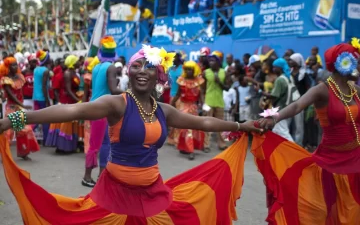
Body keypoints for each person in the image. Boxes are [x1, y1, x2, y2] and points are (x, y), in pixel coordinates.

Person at [0, 45, 261, 224]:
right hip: (114, 195)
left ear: (157, 74)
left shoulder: (164, 110)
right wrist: (14, 118)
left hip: (152, 194)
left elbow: (203, 122)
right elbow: (69, 110)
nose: (141, 70)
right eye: (136, 65)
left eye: (148, 66)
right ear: (129, 71)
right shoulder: (117, 103)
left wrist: (241, 126)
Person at [255, 40, 360, 224]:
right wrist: (275, 117)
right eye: (356, 60)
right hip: (331, 161)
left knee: (353, 209)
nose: (359, 65)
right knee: (323, 210)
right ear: (344, 63)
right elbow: (296, 105)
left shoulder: (356, 91)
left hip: (356, 158)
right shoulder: (322, 90)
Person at [83, 36, 123, 187]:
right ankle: (87, 177)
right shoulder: (111, 68)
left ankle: (102, 176)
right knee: (96, 145)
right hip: (101, 109)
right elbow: (113, 90)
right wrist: (129, 93)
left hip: (96, 107)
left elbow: (102, 88)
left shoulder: (96, 67)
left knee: (104, 143)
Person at [0, 57, 39, 160]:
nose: (15, 66)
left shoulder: (19, 77)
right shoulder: (5, 80)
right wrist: (23, 105)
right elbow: (11, 95)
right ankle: (5, 155)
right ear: (7, 67)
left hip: (19, 107)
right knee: (8, 132)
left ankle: (23, 152)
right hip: (11, 108)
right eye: (12, 65)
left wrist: (22, 104)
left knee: (23, 130)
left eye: (16, 64)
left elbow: (20, 92)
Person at [45, 55, 81, 153]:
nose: (79, 62)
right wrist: (78, 100)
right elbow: (68, 90)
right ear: (73, 62)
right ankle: (62, 147)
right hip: (67, 100)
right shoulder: (68, 73)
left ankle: (70, 147)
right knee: (66, 124)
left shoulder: (74, 73)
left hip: (72, 99)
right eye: (77, 61)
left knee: (72, 124)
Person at [171, 61, 205, 160]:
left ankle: (186, 147)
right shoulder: (181, 80)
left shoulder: (199, 81)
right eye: (187, 69)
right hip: (183, 107)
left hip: (193, 107)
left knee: (192, 128)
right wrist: (172, 104)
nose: (188, 71)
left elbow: (201, 95)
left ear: (194, 70)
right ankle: (190, 150)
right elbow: (177, 94)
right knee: (186, 128)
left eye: (190, 69)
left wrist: (203, 105)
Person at [203, 51, 228, 150]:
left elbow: (227, 87)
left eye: (213, 61)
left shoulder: (224, 72)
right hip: (208, 101)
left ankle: (221, 143)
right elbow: (202, 88)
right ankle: (206, 144)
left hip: (219, 102)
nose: (211, 62)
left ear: (218, 62)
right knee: (207, 124)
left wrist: (219, 82)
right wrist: (202, 102)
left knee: (220, 124)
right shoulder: (206, 72)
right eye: (210, 61)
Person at [33, 50, 51, 144]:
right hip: (42, 97)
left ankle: (27, 133)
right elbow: (44, 86)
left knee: (35, 118)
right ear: (46, 59)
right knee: (45, 119)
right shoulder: (46, 71)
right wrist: (47, 99)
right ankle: (46, 140)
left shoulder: (36, 69)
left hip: (35, 97)